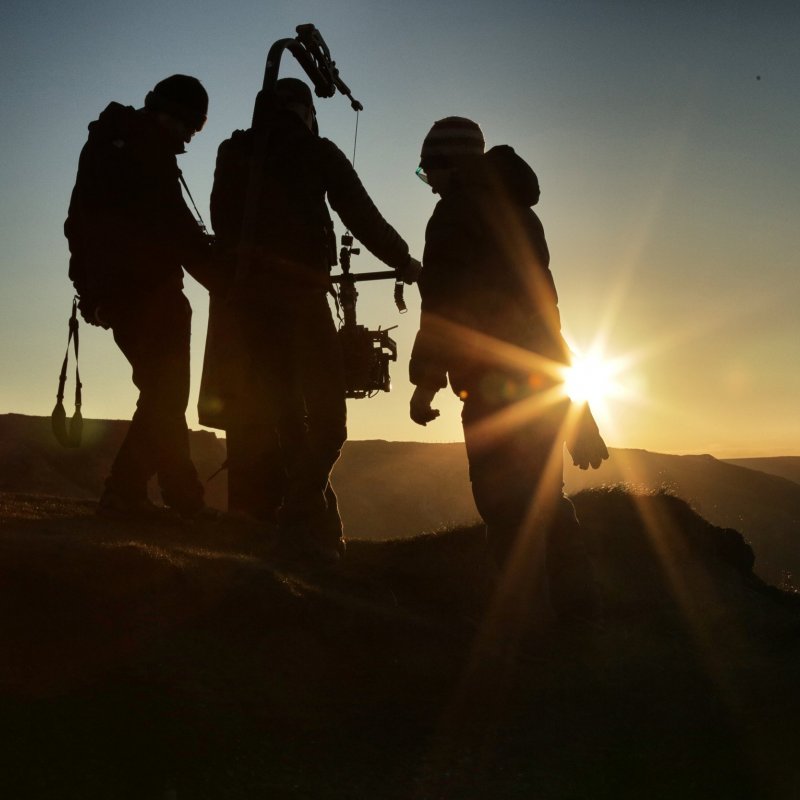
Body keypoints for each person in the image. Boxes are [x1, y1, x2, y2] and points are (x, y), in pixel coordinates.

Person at [210, 77, 420, 562]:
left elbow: (224, 220)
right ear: (306, 111)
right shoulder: (316, 150)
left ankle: (322, 536)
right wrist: (404, 261)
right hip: (300, 296)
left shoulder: (231, 151)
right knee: (329, 422)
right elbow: (360, 214)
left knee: (288, 419)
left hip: (246, 303)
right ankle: (296, 522)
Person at [408, 117, 609, 622]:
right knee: (547, 496)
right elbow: (546, 319)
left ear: (451, 165)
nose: (428, 181)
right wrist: (579, 412)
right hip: (543, 381)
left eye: (428, 170)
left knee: (504, 507)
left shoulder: (452, 215)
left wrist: (426, 383)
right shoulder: (522, 215)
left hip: (490, 385)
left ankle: (525, 627)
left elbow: (445, 308)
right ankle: (580, 611)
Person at [64, 74, 219, 520]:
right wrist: (222, 276)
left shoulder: (113, 143)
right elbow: (174, 226)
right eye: (192, 127)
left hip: (116, 294)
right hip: (150, 294)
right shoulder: (146, 150)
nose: (190, 138)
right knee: (165, 395)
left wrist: (92, 292)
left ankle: (182, 494)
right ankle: (125, 491)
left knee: (161, 395)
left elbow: (82, 222)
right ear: (176, 115)